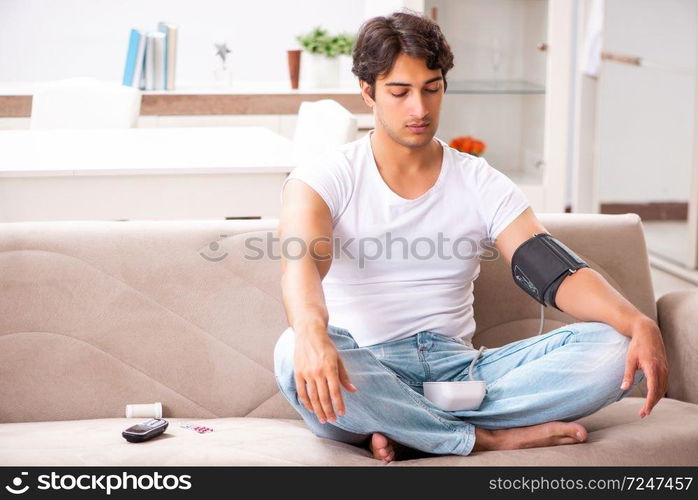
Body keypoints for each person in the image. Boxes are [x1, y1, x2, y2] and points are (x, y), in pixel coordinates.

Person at [273, 10, 669, 462]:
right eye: (399, 92)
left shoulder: (479, 180)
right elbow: (301, 262)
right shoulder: (323, 178)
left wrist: (638, 322)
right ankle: (482, 438)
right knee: (291, 352)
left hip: (460, 375)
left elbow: (551, 269)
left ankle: (409, 429)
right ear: (368, 92)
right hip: (365, 370)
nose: (419, 109)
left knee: (617, 350)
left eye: (432, 89)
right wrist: (311, 333)